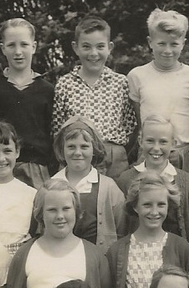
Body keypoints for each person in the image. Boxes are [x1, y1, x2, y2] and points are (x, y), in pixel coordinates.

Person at [4, 179, 113, 288]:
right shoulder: (25, 252)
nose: (60, 216)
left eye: (66, 209)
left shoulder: (93, 255)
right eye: (52, 210)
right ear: (40, 214)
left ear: (76, 211)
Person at [52, 16, 137, 179]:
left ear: (109, 47)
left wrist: (115, 151)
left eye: (100, 46)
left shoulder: (121, 82)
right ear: (75, 48)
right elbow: (58, 130)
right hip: (78, 155)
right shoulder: (65, 84)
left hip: (114, 158)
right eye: (86, 47)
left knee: (114, 200)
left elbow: (131, 127)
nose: (93, 53)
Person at [0, 18, 56, 188]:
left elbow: (53, 136)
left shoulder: (48, 91)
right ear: (3, 48)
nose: (18, 51)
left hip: (36, 171)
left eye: (24, 45)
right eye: (11, 45)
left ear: (34, 47)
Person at [127, 9, 189, 178]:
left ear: (183, 43)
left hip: (184, 154)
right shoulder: (136, 76)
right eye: (161, 43)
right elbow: (140, 122)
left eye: (174, 44)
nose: (167, 50)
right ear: (150, 42)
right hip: (149, 153)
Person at [114, 115, 189, 245]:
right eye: (150, 140)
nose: (156, 148)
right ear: (140, 141)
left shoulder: (188, 182)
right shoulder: (126, 180)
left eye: (163, 142)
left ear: (173, 144)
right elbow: (122, 226)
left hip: (176, 256)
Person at [47, 116, 128, 250]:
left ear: (94, 149)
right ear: (62, 149)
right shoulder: (51, 186)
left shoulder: (109, 188)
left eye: (84, 146)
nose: (77, 153)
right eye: (71, 147)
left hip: (97, 263)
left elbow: (121, 228)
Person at [0, 120, 38, 266]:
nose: (1, 159)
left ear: (17, 151)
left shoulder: (31, 194)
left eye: (7, 151)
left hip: (18, 263)